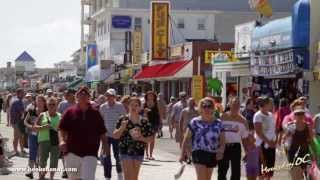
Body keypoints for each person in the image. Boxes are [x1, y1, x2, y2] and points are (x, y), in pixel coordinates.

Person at [58, 86, 108, 180]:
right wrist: (61, 141)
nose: (83, 96)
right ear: (76, 96)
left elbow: (102, 132)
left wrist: (105, 147)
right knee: (73, 178)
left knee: (88, 178)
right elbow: (61, 129)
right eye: (81, 94)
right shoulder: (69, 112)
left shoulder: (96, 113)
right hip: (72, 152)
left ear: (89, 97)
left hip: (90, 152)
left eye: (85, 95)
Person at [180, 97, 225, 180]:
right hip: (198, 152)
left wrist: (221, 151)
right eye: (204, 106)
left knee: (208, 178)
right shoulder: (195, 122)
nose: (207, 108)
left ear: (213, 108)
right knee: (201, 178)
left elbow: (222, 141)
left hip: (212, 153)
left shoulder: (218, 123)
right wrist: (182, 154)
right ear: (200, 108)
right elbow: (186, 139)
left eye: (210, 106)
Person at [113, 97, 154, 180]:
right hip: (125, 150)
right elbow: (115, 135)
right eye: (131, 105)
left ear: (140, 107)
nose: (133, 107)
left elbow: (151, 138)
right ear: (128, 106)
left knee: (134, 177)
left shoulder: (144, 121)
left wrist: (141, 138)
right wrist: (122, 127)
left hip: (139, 151)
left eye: (136, 105)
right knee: (129, 177)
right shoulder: (123, 119)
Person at [218, 97, 249, 180]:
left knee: (236, 171)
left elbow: (245, 138)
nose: (235, 106)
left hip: (236, 147)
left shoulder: (243, 120)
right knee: (222, 170)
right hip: (223, 145)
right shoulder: (222, 117)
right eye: (234, 104)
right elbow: (217, 133)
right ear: (229, 105)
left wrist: (246, 151)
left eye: (237, 105)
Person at [99, 88, 126, 180]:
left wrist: (121, 130)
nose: (108, 97)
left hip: (117, 135)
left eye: (110, 96)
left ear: (114, 97)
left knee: (117, 155)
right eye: (107, 95)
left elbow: (124, 119)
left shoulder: (120, 106)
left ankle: (119, 174)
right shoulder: (102, 106)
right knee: (106, 157)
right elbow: (101, 120)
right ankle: (107, 176)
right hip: (106, 136)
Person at [283, 106, 314, 180]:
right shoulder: (291, 126)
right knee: (296, 176)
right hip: (293, 152)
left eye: (301, 114)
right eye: (297, 114)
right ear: (294, 115)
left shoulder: (308, 126)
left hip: (304, 152)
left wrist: (313, 153)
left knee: (302, 176)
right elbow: (284, 139)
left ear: (304, 115)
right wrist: (288, 136)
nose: (300, 116)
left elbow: (311, 139)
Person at [34, 97, 61, 180]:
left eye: (53, 104)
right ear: (47, 105)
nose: (52, 106)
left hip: (56, 141)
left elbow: (64, 129)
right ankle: (42, 176)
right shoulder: (43, 115)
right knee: (42, 160)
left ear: (57, 105)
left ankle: (51, 177)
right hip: (43, 140)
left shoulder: (60, 116)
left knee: (54, 161)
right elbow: (35, 127)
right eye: (50, 104)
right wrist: (43, 127)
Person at [24, 95, 47, 179]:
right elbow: (25, 121)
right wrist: (30, 126)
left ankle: (41, 173)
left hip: (43, 136)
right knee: (32, 153)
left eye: (41, 101)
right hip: (32, 135)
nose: (39, 102)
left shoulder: (47, 112)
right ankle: (30, 172)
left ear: (44, 102)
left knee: (42, 155)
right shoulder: (31, 110)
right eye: (37, 100)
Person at [253, 97, 277, 180]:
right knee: (262, 169)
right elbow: (259, 132)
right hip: (261, 144)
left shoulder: (271, 115)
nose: (272, 105)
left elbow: (274, 130)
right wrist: (268, 142)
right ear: (265, 104)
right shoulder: (258, 115)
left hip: (271, 144)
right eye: (270, 103)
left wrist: (274, 142)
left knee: (269, 171)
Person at [57, 89, 76, 179]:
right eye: (66, 94)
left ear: (73, 95)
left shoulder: (77, 104)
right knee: (65, 152)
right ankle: (65, 170)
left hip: (75, 132)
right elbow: (58, 115)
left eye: (68, 94)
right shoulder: (62, 104)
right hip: (64, 132)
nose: (66, 96)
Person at [144, 91, 160, 160]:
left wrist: (160, 123)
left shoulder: (156, 103)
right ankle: (146, 154)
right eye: (149, 95)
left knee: (153, 139)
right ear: (146, 96)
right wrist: (145, 112)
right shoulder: (144, 104)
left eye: (152, 95)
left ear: (154, 96)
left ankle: (151, 154)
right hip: (147, 122)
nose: (150, 96)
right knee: (146, 139)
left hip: (155, 123)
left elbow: (159, 114)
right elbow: (142, 114)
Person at [10, 88, 26, 155]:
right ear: (18, 93)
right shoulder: (17, 101)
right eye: (22, 93)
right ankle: (16, 151)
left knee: (19, 136)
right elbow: (21, 112)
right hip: (17, 121)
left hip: (17, 121)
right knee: (18, 136)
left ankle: (20, 149)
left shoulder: (17, 100)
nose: (24, 94)